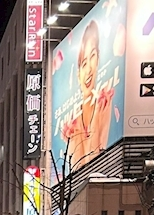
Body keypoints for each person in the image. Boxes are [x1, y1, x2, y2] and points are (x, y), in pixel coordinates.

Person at [60, 20, 115, 172]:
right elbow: (76, 170)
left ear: (98, 60)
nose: (89, 69)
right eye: (84, 63)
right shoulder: (72, 124)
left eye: (93, 56)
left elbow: (98, 158)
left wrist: (96, 115)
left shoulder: (104, 103)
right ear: (78, 74)